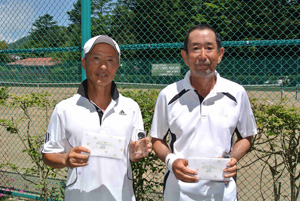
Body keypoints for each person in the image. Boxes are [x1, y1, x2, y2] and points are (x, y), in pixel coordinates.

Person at [150, 24, 257, 201]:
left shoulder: (237, 93)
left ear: (220, 54)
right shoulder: (167, 94)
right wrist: (172, 162)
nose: (202, 56)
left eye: (209, 48)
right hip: (177, 193)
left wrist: (232, 158)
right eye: (195, 49)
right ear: (185, 56)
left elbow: (247, 136)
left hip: (223, 193)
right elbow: (157, 139)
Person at [41, 35, 151, 201]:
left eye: (110, 60)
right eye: (96, 58)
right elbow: (48, 154)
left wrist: (136, 153)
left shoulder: (131, 107)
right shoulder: (64, 108)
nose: (103, 66)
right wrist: (66, 159)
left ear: (118, 65)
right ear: (84, 62)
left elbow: (133, 152)